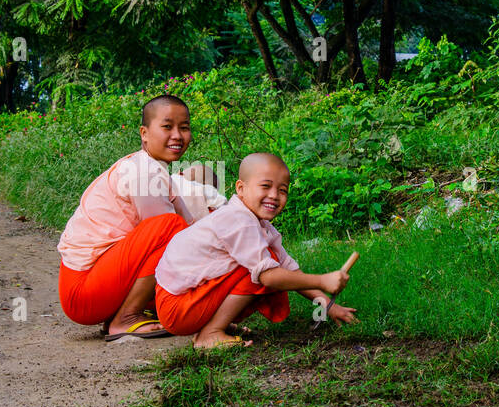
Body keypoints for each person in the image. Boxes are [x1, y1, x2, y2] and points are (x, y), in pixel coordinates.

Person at [154, 152, 358, 349]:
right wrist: (322, 280)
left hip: (183, 301)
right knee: (260, 271)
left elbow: (289, 268)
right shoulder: (237, 219)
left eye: (283, 190)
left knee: (271, 262)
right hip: (176, 307)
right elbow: (269, 277)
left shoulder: (259, 225)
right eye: (266, 186)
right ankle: (210, 334)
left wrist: (328, 306)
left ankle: (214, 325)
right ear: (241, 189)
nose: (274, 196)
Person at [57, 95, 198, 342]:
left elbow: (193, 229)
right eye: (167, 127)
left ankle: (123, 314)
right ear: (144, 133)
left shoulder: (154, 169)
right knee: (170, 228)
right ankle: (126, 318)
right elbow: (179, 239)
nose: (177, 135)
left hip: (100, 282)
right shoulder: (143, 172)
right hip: (81, 293)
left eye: (184, 128)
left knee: (177, 233)